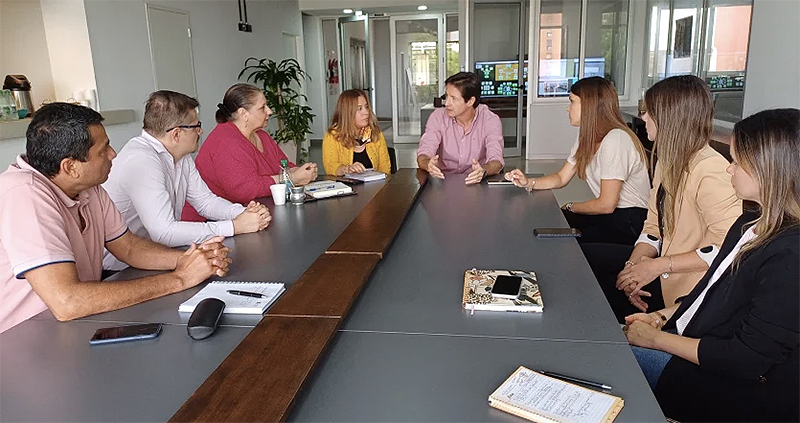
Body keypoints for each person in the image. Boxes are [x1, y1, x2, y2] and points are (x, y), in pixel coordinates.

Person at [623, 108, 799, 422]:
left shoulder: (790, 255)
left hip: (737, 389)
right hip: (695, 344)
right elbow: (710, 293)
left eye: (737, 162)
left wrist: (656, 340)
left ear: (769, 170)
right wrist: (662, 316)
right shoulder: (749, 224)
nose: (729, 170)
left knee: (608, 360)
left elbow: (747, 359)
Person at [0, 103, 231, 333]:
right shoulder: (23, 194)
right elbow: (67, 302)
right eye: (103, 150)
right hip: (21, 342)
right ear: (70, 167)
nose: (113, 154)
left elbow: (128, 247)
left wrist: (188, 260)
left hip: (74, 328)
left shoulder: (88, 186)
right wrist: (180, 279)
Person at [582, 75, 741, 322]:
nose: (643, 117)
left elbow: (728, 249)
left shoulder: (711, 169)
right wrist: (632, 269)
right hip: (664, 272)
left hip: (690, 289)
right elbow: (653, 227)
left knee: (590, 282)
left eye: (649, 112)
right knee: (586, 263)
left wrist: (656, 266)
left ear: (669, 117)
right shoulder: (668, 161)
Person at [102, 91, 271, 270]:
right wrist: (235, 226)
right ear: (176, 134)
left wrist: (246, 213)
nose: (201, 131)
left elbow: (205, 201)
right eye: (196, 126)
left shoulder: (179, 155)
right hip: (119, 269)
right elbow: (164, 232)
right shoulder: (141, 159)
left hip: (156, 256)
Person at [504, 77, 650, 245]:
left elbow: (606, 204)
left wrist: (571, 206)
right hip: (612, 217)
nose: (568, 108)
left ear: (589, 106)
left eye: (572, 102)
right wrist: (529, 182)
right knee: (547, 221)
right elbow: (561, 178)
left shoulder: (615, 139)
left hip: (629, 222)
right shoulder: (587, 138)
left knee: (563, 240)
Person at [182, 84, 318, 221]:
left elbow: (284, 166)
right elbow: (246, 190)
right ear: (243, 114)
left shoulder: (262, 136)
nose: (269, 111)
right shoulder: (225, 140)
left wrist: (302, 171)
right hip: (209, 223)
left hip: (249, 214)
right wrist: (293, 178)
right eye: (262, 108)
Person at [416, 72, 504, 185]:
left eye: (453, 98)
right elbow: (424, 152)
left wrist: (483, 171)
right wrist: (428, 163)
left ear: (470, 101)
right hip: (442, 181)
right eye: (446, 96)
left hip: (477, 181)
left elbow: (496, 160)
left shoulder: (490, 120)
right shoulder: (437, 117)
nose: (447, 103)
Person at [322, 89, 391, 176]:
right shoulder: (332, 136)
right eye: (359, 109)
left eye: (366, 107)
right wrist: (347, 169)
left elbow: (385, 168)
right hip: (346, 187)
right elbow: (331, 167)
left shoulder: (375, 134)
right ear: (347, 113)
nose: (366, 112)